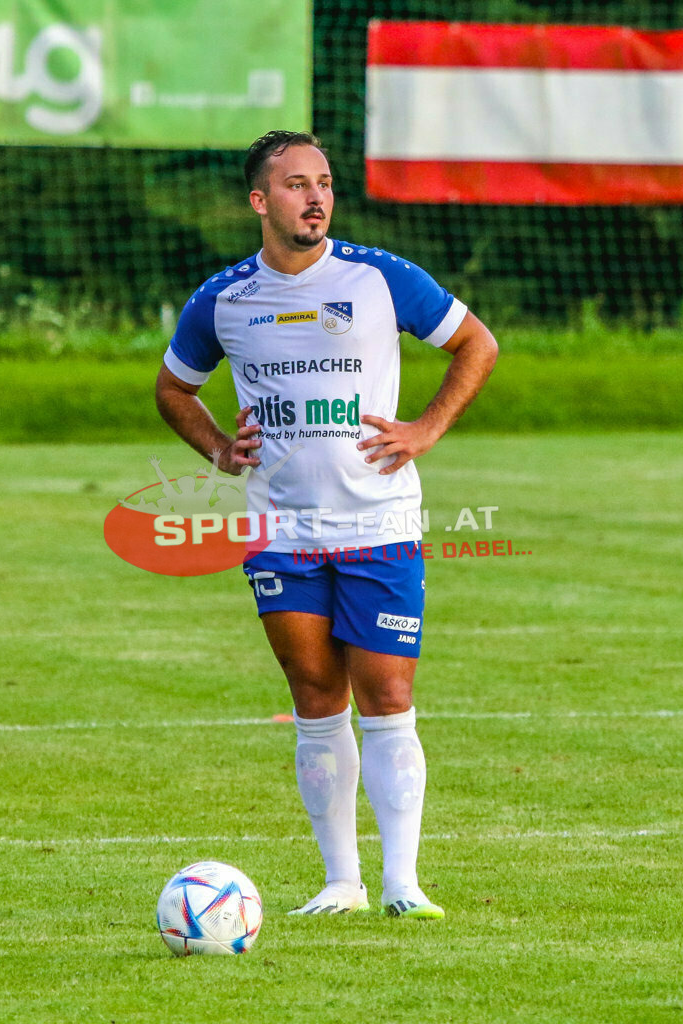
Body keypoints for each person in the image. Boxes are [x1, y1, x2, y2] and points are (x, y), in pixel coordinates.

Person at [155, 130, 498, 919]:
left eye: (325, 183)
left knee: (388, 691)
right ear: (259, 201)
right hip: (282, 529)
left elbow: (476, 345)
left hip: (378, 519)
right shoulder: (225, 297)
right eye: (296, 185)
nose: (315, 197)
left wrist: (424, 429)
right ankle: (340, 881)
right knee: (314, 694)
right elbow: (173, 389)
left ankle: (402, 884)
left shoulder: (382, 279)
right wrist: (217, 447)